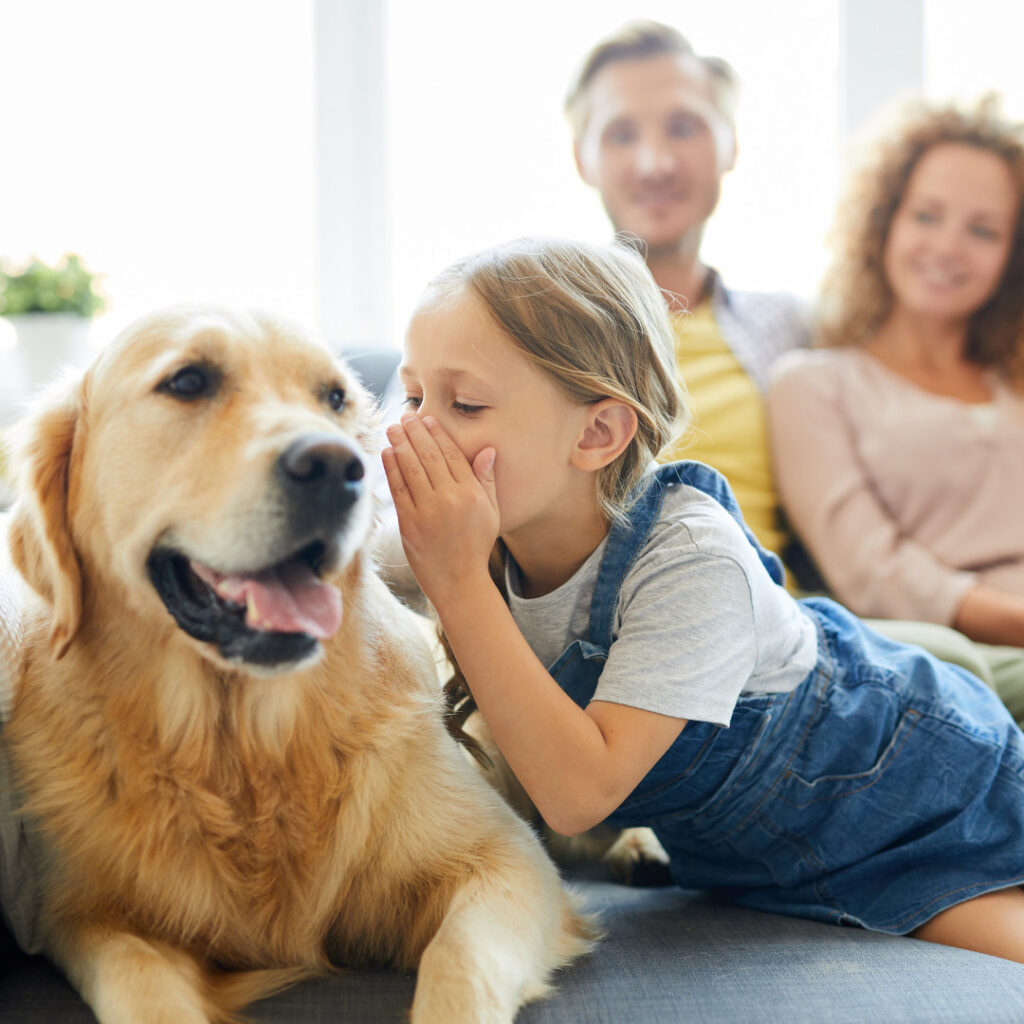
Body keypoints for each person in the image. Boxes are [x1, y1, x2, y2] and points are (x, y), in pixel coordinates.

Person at [383, 234, 1024, 961]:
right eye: (412, 395)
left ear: (597, 433)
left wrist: (459, 580)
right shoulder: (468, 529)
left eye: (464, 404)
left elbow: (576, 795)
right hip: (748, 860)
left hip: (904, 786)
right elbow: (333, 582)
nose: (415, 431)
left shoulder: (689, 558)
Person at [564, 19, 1024, 713]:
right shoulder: (548, 329)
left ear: (730, 146)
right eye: (622, 134)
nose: (655, 161)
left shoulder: (790, 329)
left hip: (797, 624)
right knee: (954, 665)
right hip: (657, 625)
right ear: (583, 157)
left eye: (684, 127)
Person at [768, 98, 1024, 717]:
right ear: (884, 222)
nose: (948, 246)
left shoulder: (1014, 382)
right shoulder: (813, 384)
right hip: (962, 655)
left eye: (983, 229)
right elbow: (871, 570)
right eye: (927, 215)